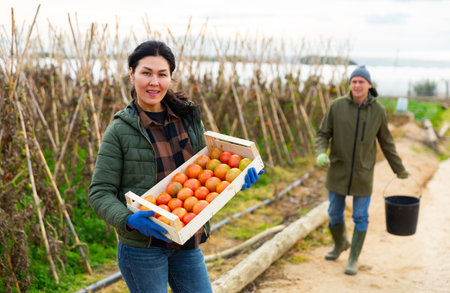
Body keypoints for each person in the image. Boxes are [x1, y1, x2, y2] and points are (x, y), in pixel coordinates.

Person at [89, 40, 262, 293]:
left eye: (162, 74)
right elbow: (99, 192)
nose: (154, 82)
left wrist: (234, 182)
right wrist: (129, 220)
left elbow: (207, 169)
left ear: (170, 77)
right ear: (131, 74)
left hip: (187, 241)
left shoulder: (187, 118)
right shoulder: (119, 131)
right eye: (146, 73)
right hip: (143, 248)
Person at [314, 65, 409, 275]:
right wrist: (321, 152)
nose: (357, 85)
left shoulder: (378, 111)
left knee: (360, 217)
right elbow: (322, 134)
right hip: (337, 170)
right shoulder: (336, 106)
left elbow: (387, 143)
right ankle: (340, 244)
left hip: (363, 173)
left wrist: (399, 169)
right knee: (334, 214)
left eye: (361, 81)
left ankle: (353, 259)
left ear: (369, 85)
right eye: (354, 81)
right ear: (350, 85)